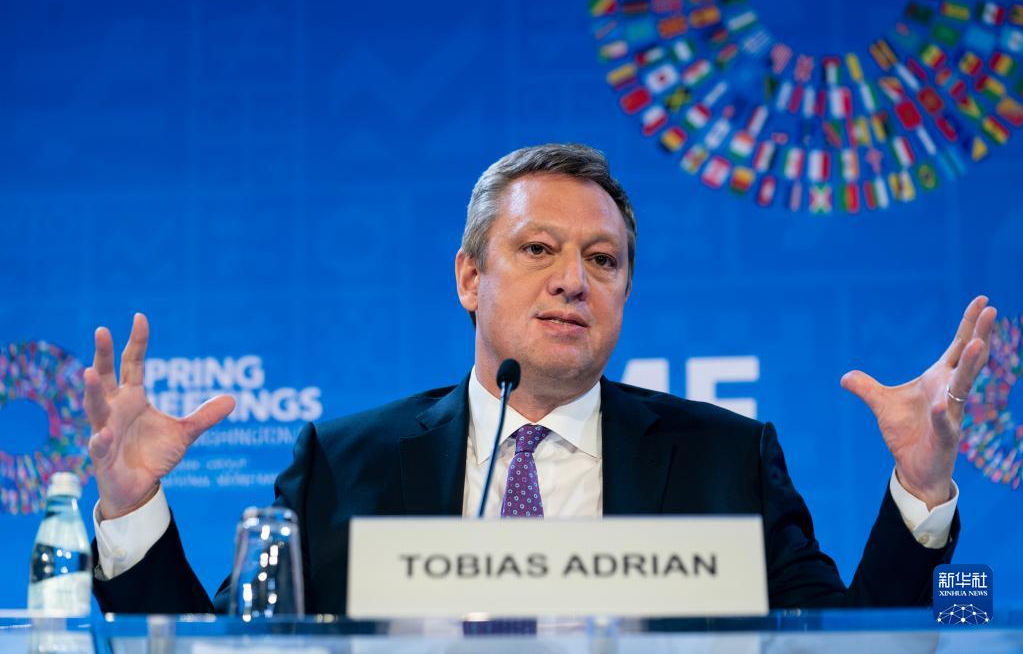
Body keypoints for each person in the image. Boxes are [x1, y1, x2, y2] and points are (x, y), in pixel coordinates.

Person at [86, 144, 995, 614]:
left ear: (624, 292)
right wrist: (131, 509)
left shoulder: (723, 458)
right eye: (537, 250)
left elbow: (845, 643)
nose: (572, 280)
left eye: (602, 259)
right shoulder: (344, 460)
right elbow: (227, 648)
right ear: (468, 277)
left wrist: (919, 493)